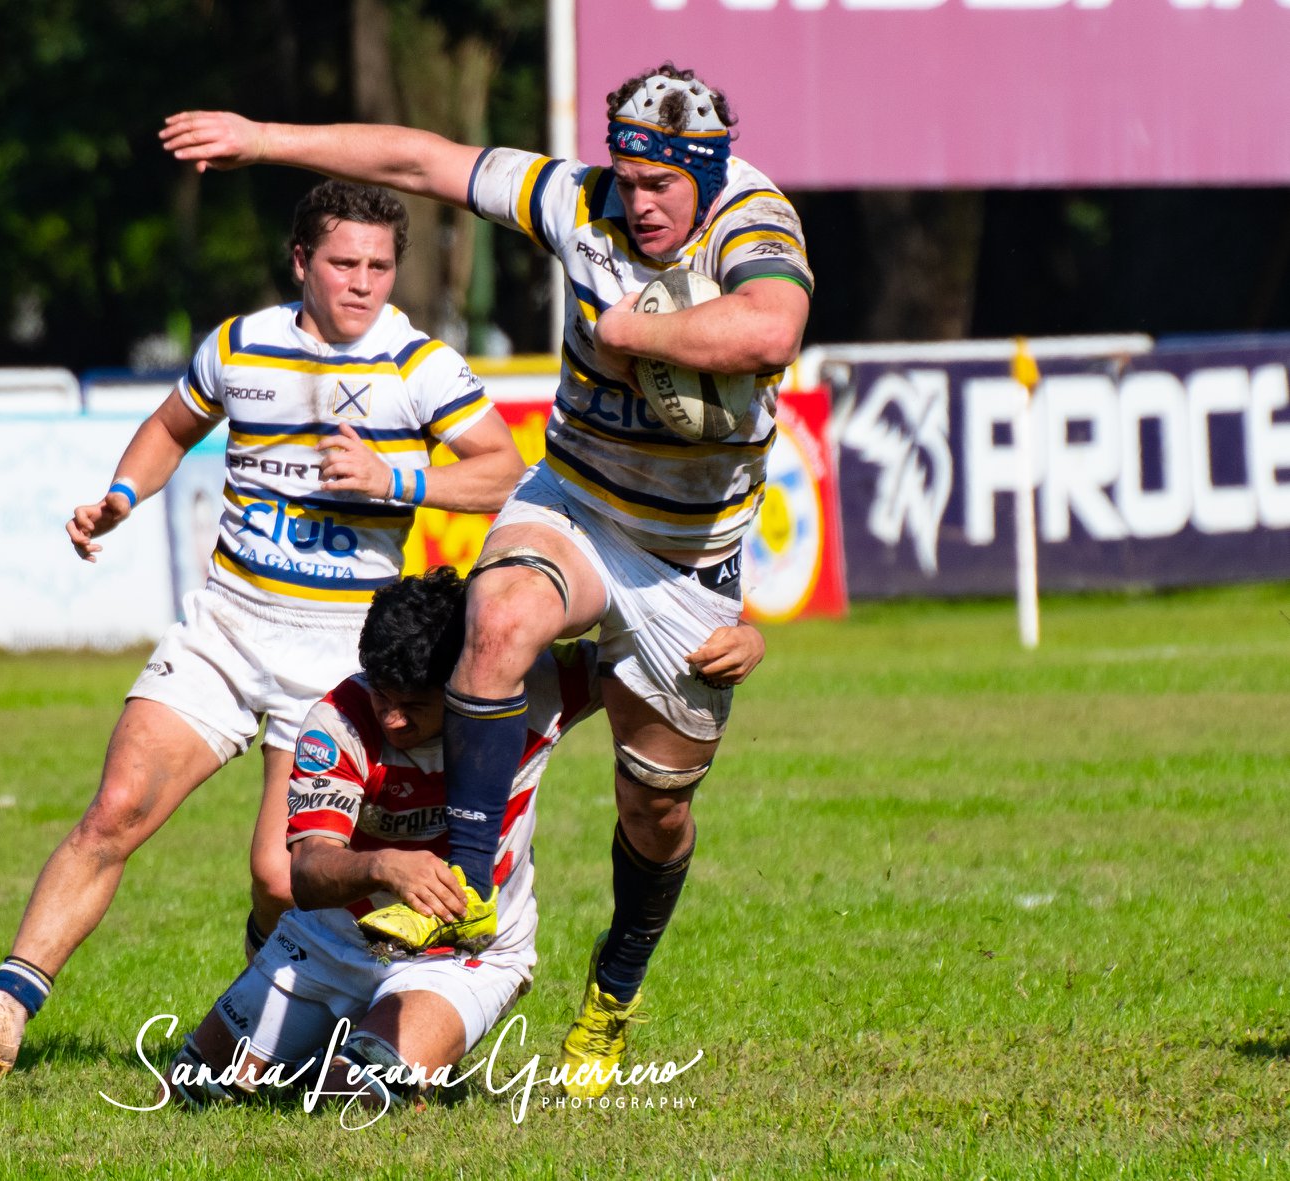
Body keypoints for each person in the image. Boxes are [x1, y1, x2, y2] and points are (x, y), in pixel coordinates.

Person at [161, 60, 812, 1095]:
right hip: (577, 503)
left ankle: (611, 990)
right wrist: (262, 135)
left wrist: (627, 330)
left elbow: (769, 328)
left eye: (660, 187)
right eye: (626, 180)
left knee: (656, 812)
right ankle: (464, 884)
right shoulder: (574, 200)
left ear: (704, 172)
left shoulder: (751, 221)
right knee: (498, 618)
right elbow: (418, 159)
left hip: (688, 559)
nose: (637, 203)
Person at [0, 181, 525, 1073]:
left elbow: (502, 471)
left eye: (380, 266)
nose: (362, 283)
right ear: (300, 262)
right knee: (115, 810)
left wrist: (396, 483)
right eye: (343, 263)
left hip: (338, 656)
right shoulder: (242, 345)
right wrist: (122, 495)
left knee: (282, 877)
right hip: (228, 624)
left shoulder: (420, 367)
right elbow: (171, 425)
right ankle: (5, 1007)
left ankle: (276, 1017)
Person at [164, 569, 764, 1112]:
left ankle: (373, 1052)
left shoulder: (534, 688)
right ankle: (321, 1032)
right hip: (329, 944)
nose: (393, 720)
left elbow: (647, 654)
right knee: (191, 1089)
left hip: (468, 955)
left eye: (415, 706)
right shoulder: (339, 723)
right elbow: (308, 871)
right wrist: (383, 868)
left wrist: (748, 637)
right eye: (382, 695)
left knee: (356, 1095)